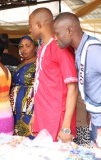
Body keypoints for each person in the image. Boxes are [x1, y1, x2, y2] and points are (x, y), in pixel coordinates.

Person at [53, 12, 101, 147]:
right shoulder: (80, 50)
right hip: (99, 119)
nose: (55, 38)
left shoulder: (93, 51)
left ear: (70, 30)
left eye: (57, 33)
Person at [28, 8, 78, 143]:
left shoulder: (59, 47)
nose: (29, 30)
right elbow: (40, 85)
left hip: (57, 118)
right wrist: (35, 115)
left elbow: (72, 88)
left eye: (30, 25)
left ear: (39, 25)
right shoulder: (42, 48)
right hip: (44, 115)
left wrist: (66, 127)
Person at [10, 35, 37, 139]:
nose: (23, 49)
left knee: (29, 137)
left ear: (35, 48)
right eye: (21, 46)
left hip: (30, 109)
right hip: (16, 109)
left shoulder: (39, 63)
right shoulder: (21, 64)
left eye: (27, 46)